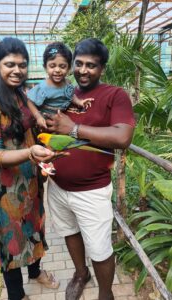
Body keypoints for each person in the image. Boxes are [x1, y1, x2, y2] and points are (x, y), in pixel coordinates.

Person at [0, 37, 60, 300]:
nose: (17, 70)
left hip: (29, 181)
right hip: (1, 188)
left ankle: (35, 273)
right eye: (10, 64)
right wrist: (31, 152)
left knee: (33, 229)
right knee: (9, 241)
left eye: (22, 65)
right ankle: (17, 294)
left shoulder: (19, 93)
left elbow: (31, 123)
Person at [45, 38, 135, 300]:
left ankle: (105, 294)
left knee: (100, 248)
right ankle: (80, 273)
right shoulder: (63, 92)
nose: (83, 70)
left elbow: (122, 137)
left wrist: (72, 128)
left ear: (102, 68)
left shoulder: (114, 95)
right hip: (58, 186)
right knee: (69, 233)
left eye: (91, 66)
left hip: (92, 191)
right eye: (79, 64)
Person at [27, 41, 93, 175]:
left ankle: (58, 164)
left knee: (61, 145)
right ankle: (45, 164)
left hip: (60, 121)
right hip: (46, 122)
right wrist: (38, 117)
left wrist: (79, 102)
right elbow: (29, 101)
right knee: (46, 146)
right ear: (45, 67)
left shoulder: (67, 83)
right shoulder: (42, 87)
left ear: (69, 68)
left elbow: (71, 95)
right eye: (52, 66)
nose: (57, 70)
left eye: (62, 66)